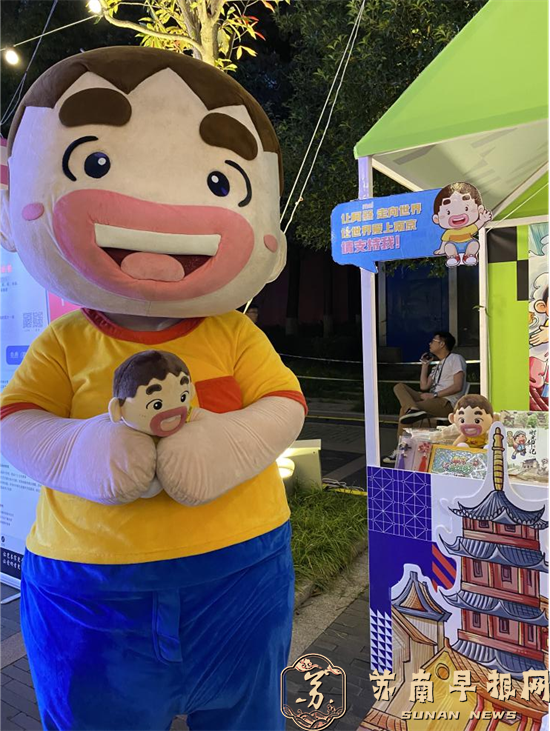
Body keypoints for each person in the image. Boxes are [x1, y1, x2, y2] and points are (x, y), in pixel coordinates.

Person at [0, 47, 306, 731]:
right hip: (94, 594)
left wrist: (230, 441)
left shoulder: (234, 331)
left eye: (222, 183)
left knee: (248, 716)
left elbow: (283, 402)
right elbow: (17, 418)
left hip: (239, 579)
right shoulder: (66, 341)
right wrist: (80, 449)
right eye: (95, 165)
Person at [383, 331, 467, 465]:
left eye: (433, 341)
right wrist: (425, 365)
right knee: (399, 387)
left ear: (442, 344)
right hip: (432, 399)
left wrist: (435, 395)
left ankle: (402, 450)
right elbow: (424, 386)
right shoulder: (438, 366)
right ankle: (413, 409)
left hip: (445, 403)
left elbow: (458, 386)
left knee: (404, 410)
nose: (430, 343)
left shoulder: (455, 359)